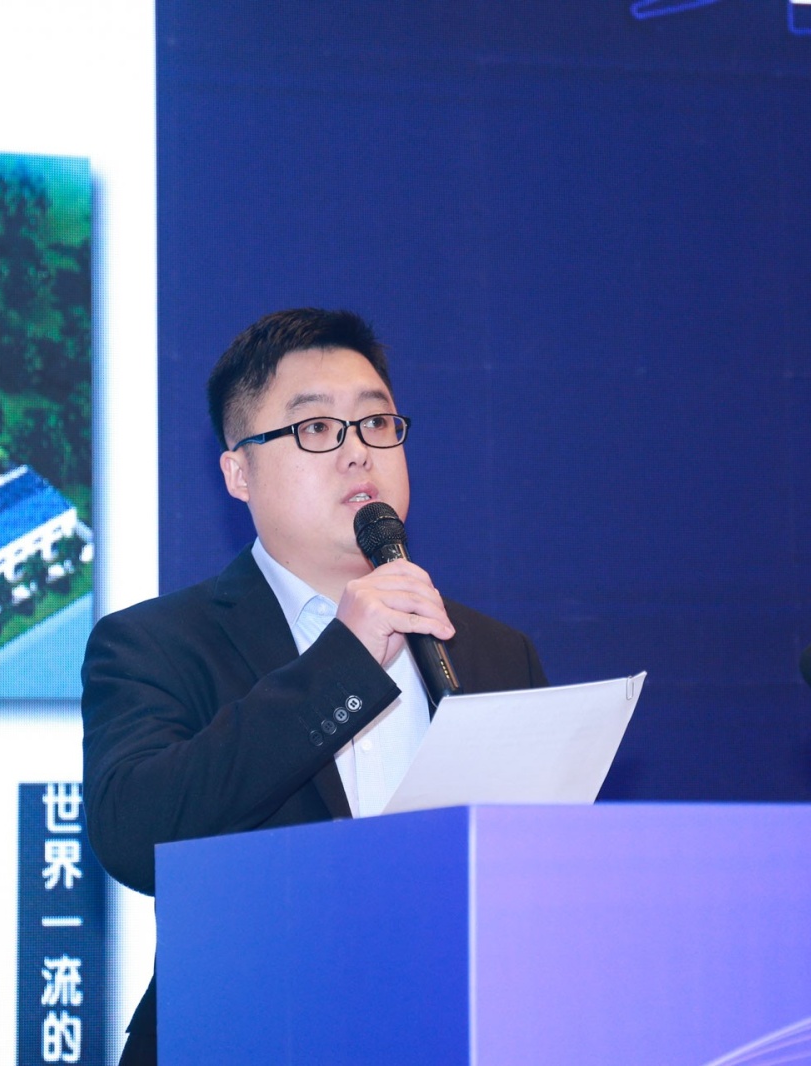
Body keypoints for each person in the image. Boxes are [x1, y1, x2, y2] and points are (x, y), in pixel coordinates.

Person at [81, 308, 547, 1065]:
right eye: (317, 429)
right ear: (238, 472)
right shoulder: (156, 644)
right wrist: (344, 663)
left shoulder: (497, 653)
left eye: (376, 424)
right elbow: (136, 836)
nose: (358, 452)